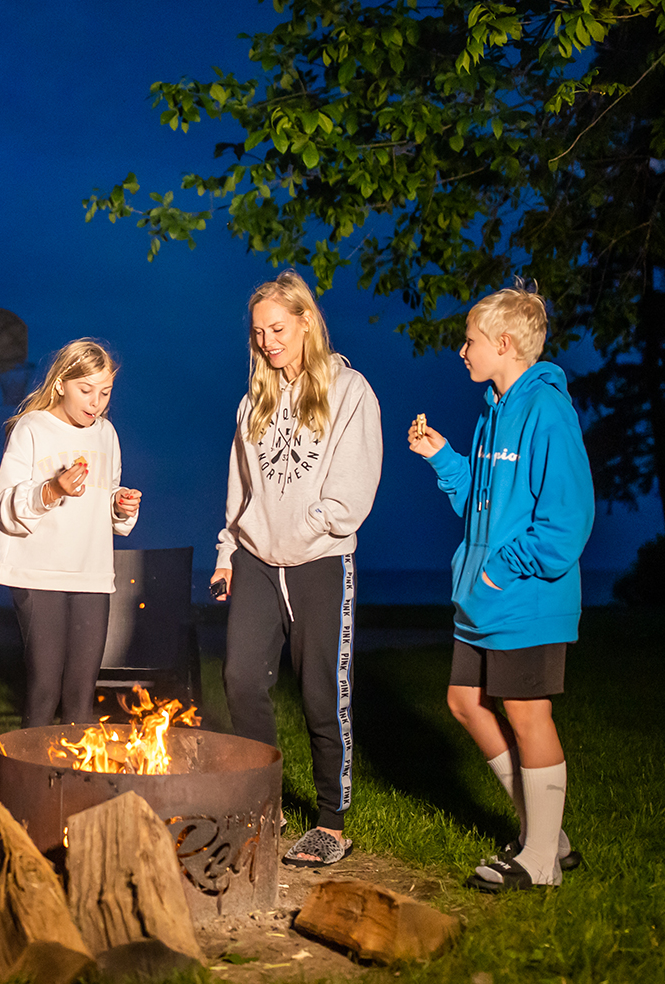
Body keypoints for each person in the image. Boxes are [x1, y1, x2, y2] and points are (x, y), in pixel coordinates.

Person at [409, 281, 594, 891]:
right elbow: (481, 506)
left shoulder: (547, 411)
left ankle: (540, 860)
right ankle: (546, 833)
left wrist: (498, 569)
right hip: (484, 598)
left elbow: (565, 525)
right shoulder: (493, 410)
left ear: (506, 344)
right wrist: (443, 458)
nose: (462, 351)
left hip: (525, 598)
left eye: (470, 341)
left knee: (526, 713)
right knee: (464, 702)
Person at [211, 270, 382, 868]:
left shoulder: (351, 390)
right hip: (256, 561)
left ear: (306, 321)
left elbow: (353, 490)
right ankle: (264, 806)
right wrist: (228, 552)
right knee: (239, 679)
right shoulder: (251, 401)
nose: (267, 342)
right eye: (258, 332)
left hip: (319, 560)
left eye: (278, 328)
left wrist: (308, 525)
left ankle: (331, 823)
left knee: (319, 691)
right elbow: (240, 491)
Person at [0, 339, 141, 728]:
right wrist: (53, 489)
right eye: (86, 390)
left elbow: (103, 505)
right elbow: (4, 504)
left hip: (90, 573)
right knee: (44, 688)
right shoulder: (32, 428)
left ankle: (76, 783)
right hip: (37, 573)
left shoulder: (106, 434)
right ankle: (28, 782)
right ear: (60, 384)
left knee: (81, 693)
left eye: (105, 392)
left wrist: (120, 506)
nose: (96, 402)